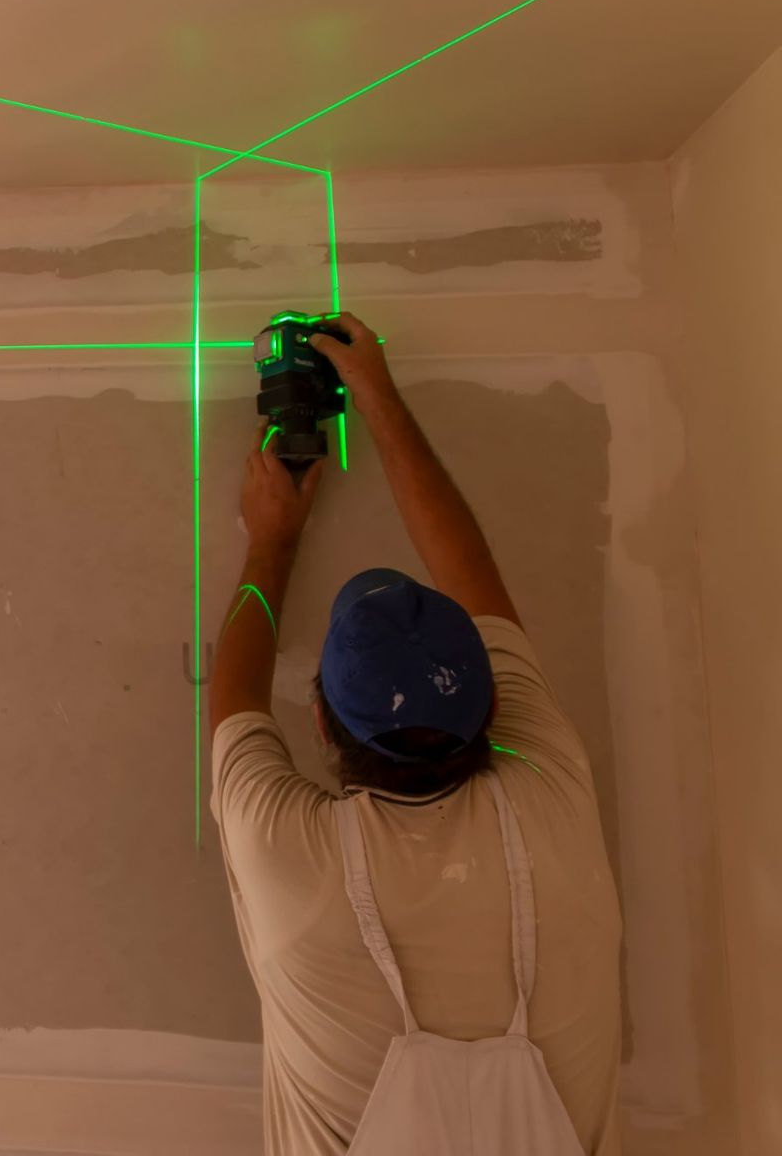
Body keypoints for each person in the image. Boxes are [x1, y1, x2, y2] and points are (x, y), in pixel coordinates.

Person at [208, 313, 622, 1154]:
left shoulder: (291, 849)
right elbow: (474, 583)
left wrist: (272, 541)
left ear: (320, 717)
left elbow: (233, 695)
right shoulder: (551, 788)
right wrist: (381, 400)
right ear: (492, 706)